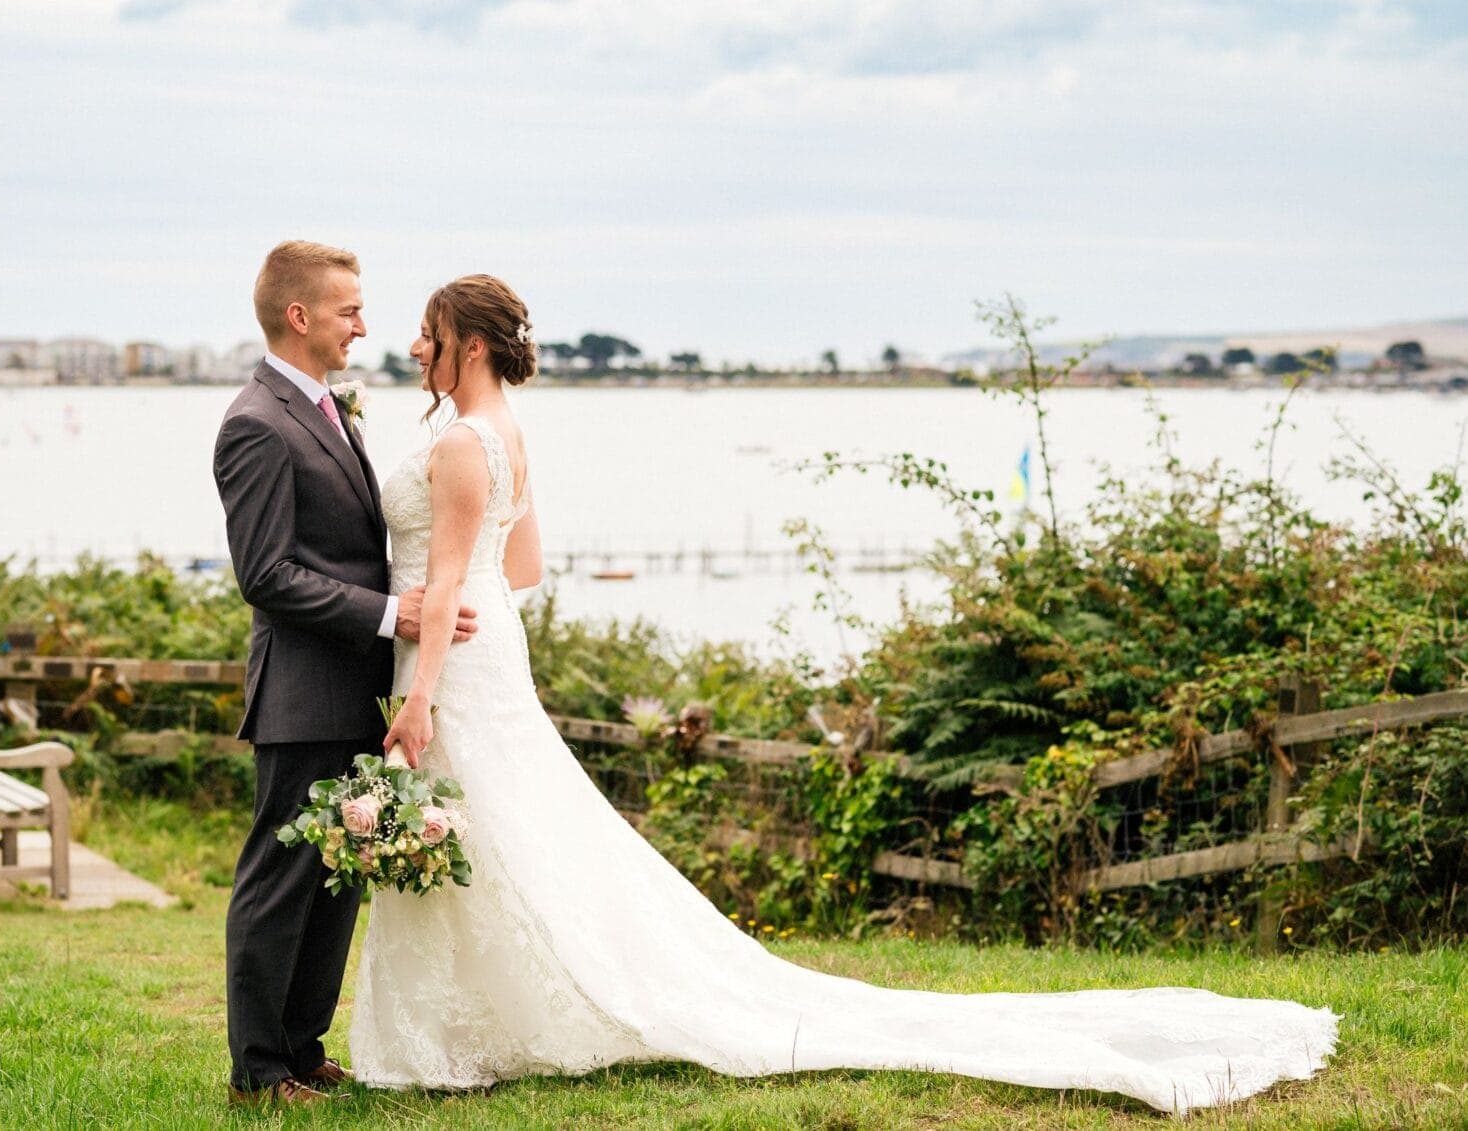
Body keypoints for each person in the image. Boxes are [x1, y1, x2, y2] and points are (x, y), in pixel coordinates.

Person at [349, 273, 1339, 1114]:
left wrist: (421, 685)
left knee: (487, 826)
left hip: (452, 655)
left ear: (468, 344)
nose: (412, 347)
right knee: (508, 830)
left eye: (427, 337)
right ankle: (499, 1010)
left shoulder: (453, 444)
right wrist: (448, 598)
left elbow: (451, 581)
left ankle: (471, 1025)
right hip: (491, 639)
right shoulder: (505, 435)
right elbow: (516, 569)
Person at [211, 240, 478, 1107]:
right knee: (279, 881)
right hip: (298, 693)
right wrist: (391, 615)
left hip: (352, 688)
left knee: (337, 878)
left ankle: (302, 1046)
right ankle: (257, 1072)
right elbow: (267, 573)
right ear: (301, 316)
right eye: (349, 310)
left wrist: (416, 620)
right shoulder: (255, 422)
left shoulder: (331, 412)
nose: (364, 325)